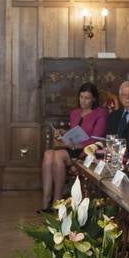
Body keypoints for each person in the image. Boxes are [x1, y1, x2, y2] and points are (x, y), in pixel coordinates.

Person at [41, 82, 106, 211]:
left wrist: (76, 145)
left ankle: (57, 200)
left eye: (87, 98)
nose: (83, 101)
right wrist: (64, 133)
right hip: (72, 148)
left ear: (94, 98)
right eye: (81, 97)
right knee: (48, 154)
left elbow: (97, 140)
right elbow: (75, 132)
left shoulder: (101, 114)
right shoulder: (75, 113)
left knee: (58, 155)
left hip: (87, 151)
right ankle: (46, 198)